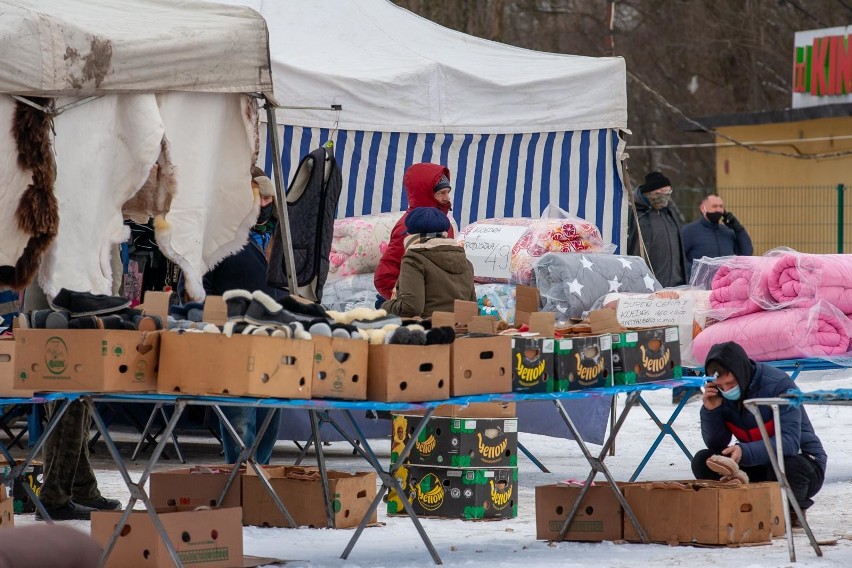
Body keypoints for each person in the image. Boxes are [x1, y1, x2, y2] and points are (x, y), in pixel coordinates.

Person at [691, 341, 826, 529]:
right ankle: (738, 503)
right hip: (757, 462)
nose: (728, 390)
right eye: (722, 386)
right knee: (704, 460)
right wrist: (711, 411)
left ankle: (792, 508)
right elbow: (716, 443)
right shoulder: (719, 395)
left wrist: (745, 451)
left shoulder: (779, 384)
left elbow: (790, 442)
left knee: (786, 466)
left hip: (803, 463)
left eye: (731, 383)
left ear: (742, 372)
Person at [204, 166, 281, 465]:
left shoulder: (282, 234)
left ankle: (259, 474)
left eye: (267, 198)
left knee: (271, 411)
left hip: (275, 332)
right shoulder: (223, 236)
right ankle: (240, 475)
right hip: (233, 333)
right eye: (256, 198)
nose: (263, 204)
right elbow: (203, 284)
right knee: (239, 411)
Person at [374, 163, 454, 303]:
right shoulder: (407, 228)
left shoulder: (444, 224)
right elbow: (384, 277)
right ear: (425, 193)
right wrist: (405, 303)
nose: (447, 198)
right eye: (441, 193)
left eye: (448, 192)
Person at [381, 207, 475, 318]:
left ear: (412, 235)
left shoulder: (414, 259)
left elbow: (411, 307)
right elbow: (472, 308)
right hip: (459, 330)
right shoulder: (465, 262)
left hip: (427, 330)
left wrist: (384, 307)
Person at [627, 171, 686, 288]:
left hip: (676, 284)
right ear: (649, 192)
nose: (666, 196)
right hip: (648, 285)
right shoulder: (635, 213)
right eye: (661, 192)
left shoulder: (669, 212)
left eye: (668, 192)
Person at [681, 193, 753, 279]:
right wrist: (694, 273)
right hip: (698, 288)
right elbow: (679, 259)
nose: (718, 210)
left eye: (721, 206)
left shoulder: (727, 231)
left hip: (723, 285)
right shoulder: (689, 231)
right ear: (702, 208)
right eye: (714, 206)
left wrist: (738, 229)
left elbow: (747, 252)